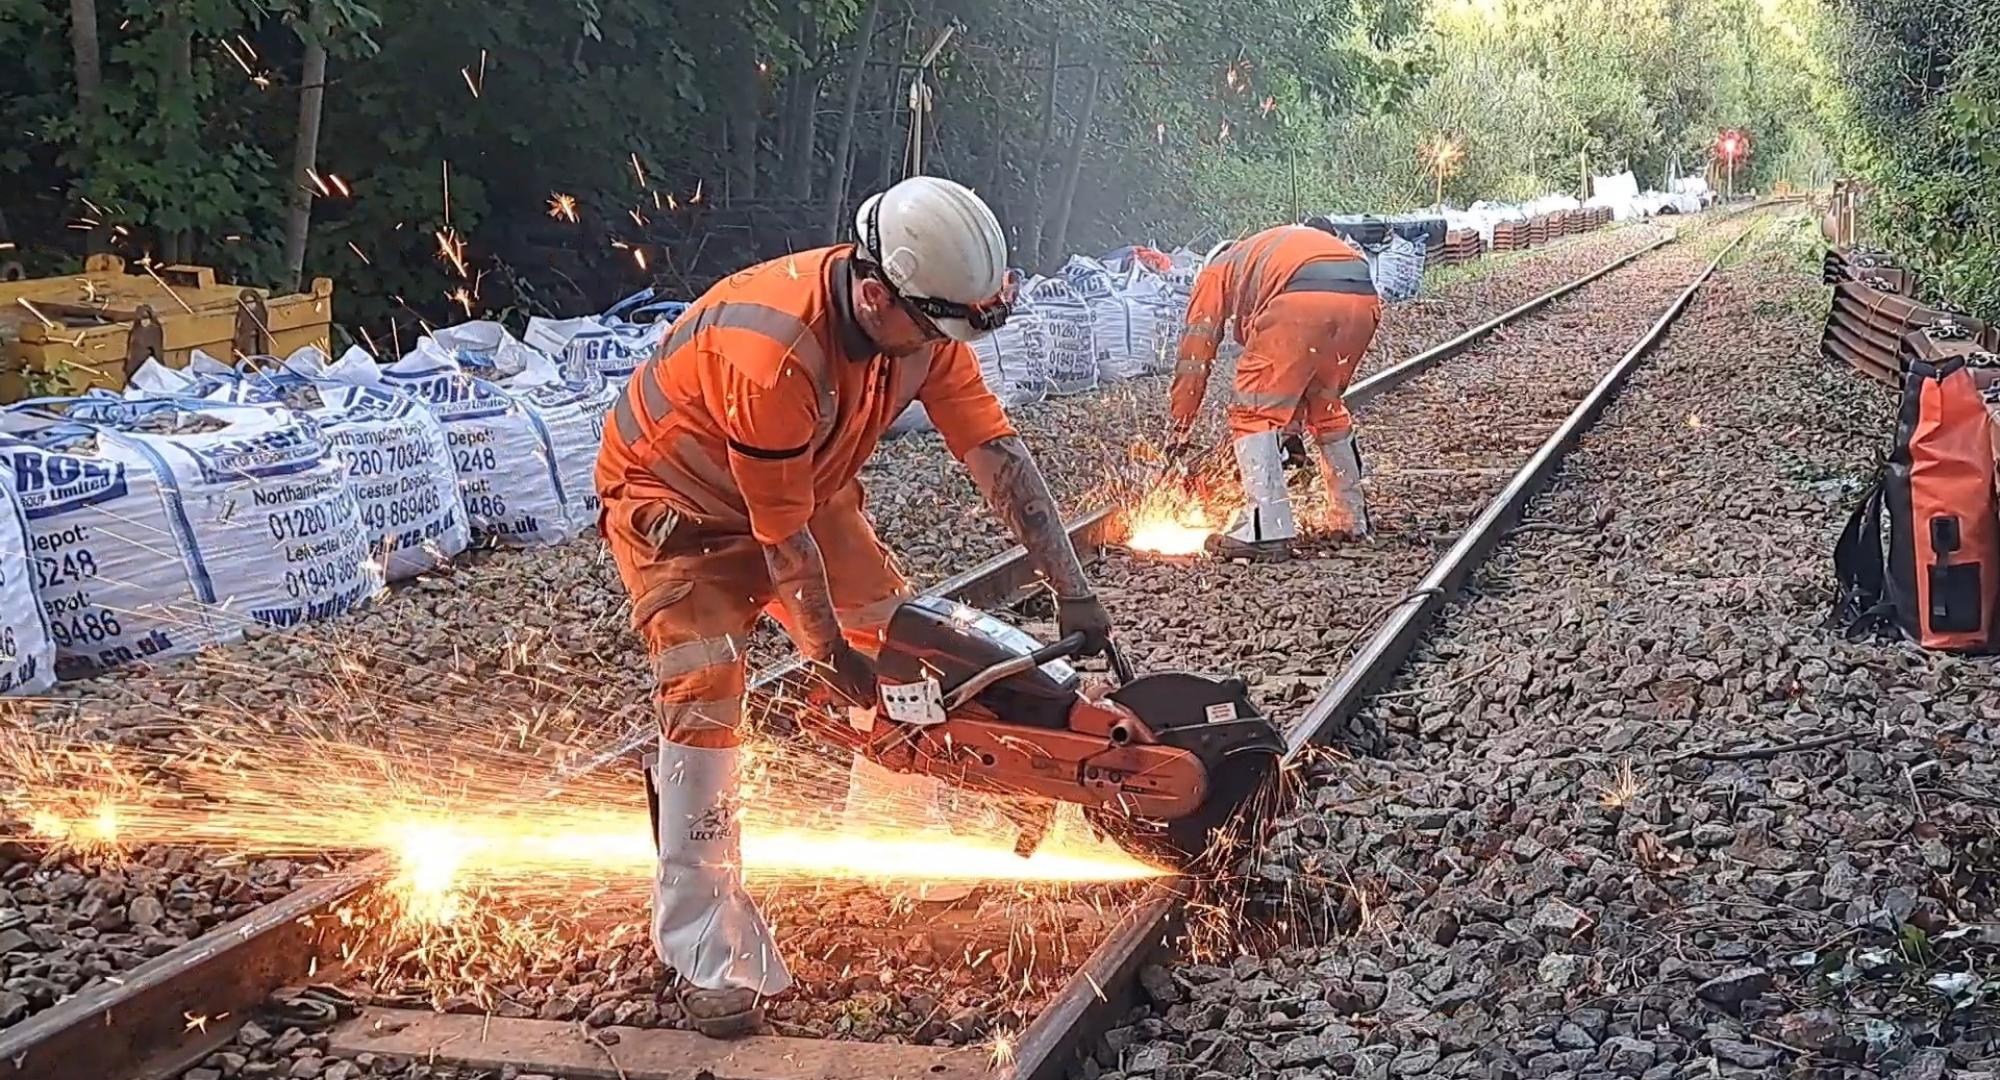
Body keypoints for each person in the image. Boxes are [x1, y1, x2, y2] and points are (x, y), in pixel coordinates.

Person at [594, 176, 1115, 1039]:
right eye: (935, 330)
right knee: (705, 689)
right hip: (678, 508)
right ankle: (702, 949)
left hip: (803, 485)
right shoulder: (771, 350)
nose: (943, 348)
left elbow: (997, 458)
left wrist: (1073, 587)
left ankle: (891, 834)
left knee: (910, 638)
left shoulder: (925, 320)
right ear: (874, 295)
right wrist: (837, 662)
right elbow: (784, 547)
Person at [1167, 224, 1383, 561]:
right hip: (1362, 298)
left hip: (1303, 299)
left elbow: (1196, 353)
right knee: (1324, 405)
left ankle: (1265, 527)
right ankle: (1350, 517)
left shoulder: (1215, 272)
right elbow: (1294, 375)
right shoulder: (1263, 255)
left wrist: (1181, 426)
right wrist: (1291, 429)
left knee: (1254, 411)